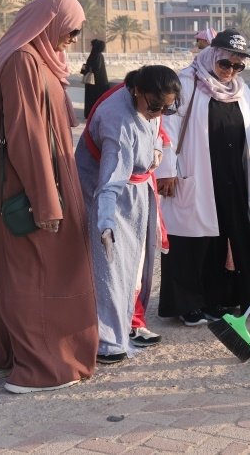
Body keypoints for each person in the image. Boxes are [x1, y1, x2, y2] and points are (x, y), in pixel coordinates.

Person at [0, 0, 98, 394]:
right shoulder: (24, 61)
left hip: (21, 176)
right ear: (48, 22)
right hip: (28, 181)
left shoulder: (34, 59)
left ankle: (6, 356)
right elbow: (26, 134)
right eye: (70, 29)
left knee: (18, 266)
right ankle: (42, 366)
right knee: (41, 267)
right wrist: (46, 200)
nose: (73, 39)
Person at [155, 29, 250, 325]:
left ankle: (221, 299)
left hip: (232, 175)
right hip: (194, 174)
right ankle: (187, 304)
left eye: (238, 65)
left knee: (227, 236)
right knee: (191, 240)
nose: (231, 71)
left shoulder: (242, 90)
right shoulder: (186, 82)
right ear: (211, 57)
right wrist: (165, 171)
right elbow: (165, 129)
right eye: (225, 64)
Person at [75, 65, 181, 364]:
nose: (159, 113)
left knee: (139, 261)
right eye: (155, 106)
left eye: (166, 108)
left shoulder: (148, 104)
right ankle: (108, 341)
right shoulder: (117, 122)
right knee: (111, 265)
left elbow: (156, 133)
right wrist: (105, 223)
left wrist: (156, 149)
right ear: (137, 91)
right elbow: (109, 183)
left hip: (139, 188)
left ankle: (130, 324)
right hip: (107, 193)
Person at [81, 39, 110, 119]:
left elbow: (86, 68)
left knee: (90, 100)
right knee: (98, 99)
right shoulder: (99, 55)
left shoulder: (92, 55)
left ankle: (89, 114)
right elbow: (97, 68)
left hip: (90, 83)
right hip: (98, 83)